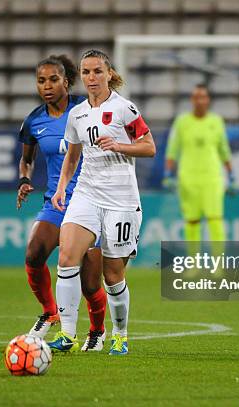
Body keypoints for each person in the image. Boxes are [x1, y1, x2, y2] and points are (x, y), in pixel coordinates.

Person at [50, 49, 155, 355]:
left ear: (109, 74)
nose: (91, 78)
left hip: (121, 200)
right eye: (86, 72)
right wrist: (61, 188)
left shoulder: (125, 109)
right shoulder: (77, 114)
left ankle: (120, 335)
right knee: (67, 254)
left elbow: (149, 147)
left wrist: (119, 145)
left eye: (97, 71)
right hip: (86, 193)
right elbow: (72, 156)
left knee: (112, 275)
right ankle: (68, 333)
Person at [17, 54, 107, 351]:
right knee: (34, 253)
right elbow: (26, 159)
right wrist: (24, 180)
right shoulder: (34, 120)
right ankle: (50, 311)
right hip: (55, 202)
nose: (46, 86)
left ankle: (97, 330)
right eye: (41, 80)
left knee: (90, 283)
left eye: (53, 79)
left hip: (89, 201)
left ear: (66, 81)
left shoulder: (85, 111)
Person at [164, 84, 234, 250]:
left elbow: (224, 149)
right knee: (191, 222)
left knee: (215, 220)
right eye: (197, 97)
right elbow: (172, 149)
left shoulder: (216, 121)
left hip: (212, 177)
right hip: (187, 178)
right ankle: (193, 266)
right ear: (192, 100)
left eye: (203, 97)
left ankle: (218, 265)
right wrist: (167, 173)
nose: (200, 101)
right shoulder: (182, 122)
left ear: (208, 100)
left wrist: (232, 175)